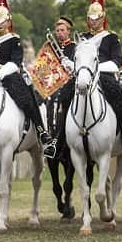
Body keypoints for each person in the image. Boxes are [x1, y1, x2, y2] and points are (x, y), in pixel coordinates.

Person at [0, 0, 54, 151]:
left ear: (8, 22)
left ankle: (41, 131)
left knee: (27, 98)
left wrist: (2, 72)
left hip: (8, 76)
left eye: (2, 21)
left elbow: (15, 62)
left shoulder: (14, 39)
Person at [80, 0, 122, 158]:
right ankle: (58, 141)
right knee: (66, 99)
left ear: (102, 17)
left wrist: (96, 68)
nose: (93, 21)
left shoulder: (111, 37)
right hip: (84, 77)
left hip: (104, 77)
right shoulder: (83, 38)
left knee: (120, 99)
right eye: (91, 18)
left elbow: (117, 61)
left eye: (96, 18)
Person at [45, 16, 77, 159]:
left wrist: (70, 63)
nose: (59, 33)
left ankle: (60, 137)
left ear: (68, 31)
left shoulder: (75, 47)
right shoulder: (51, 47)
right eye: (57, 30)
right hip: (53, 86)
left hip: (70, 85)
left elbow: (80, 68)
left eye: (62, 30)